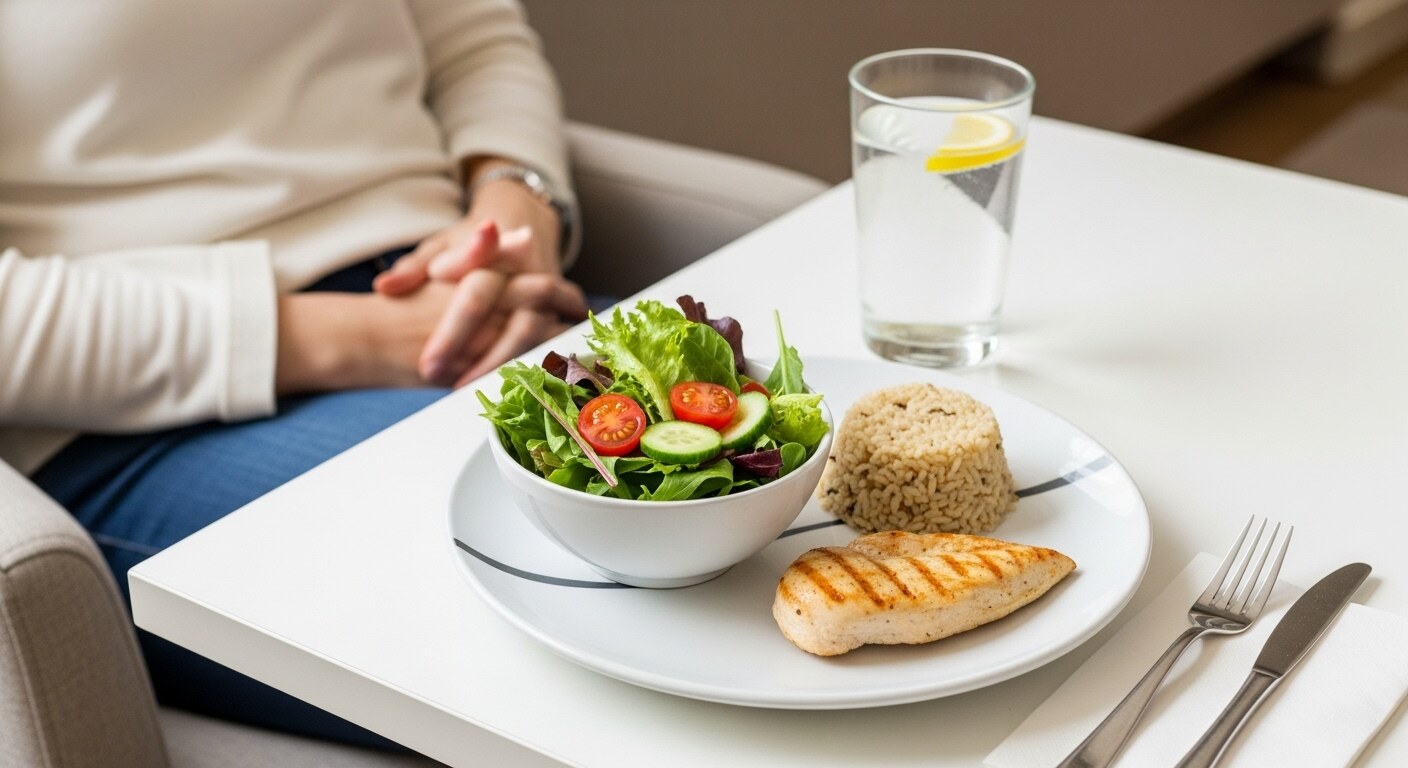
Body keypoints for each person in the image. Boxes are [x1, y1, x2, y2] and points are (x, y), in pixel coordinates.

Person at [1, 0, 587, 749]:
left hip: (457, 292)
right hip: (145, 415)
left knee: (720, 469)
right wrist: (368, 337)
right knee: (584, 551)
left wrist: (515, 212)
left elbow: (473, 38)